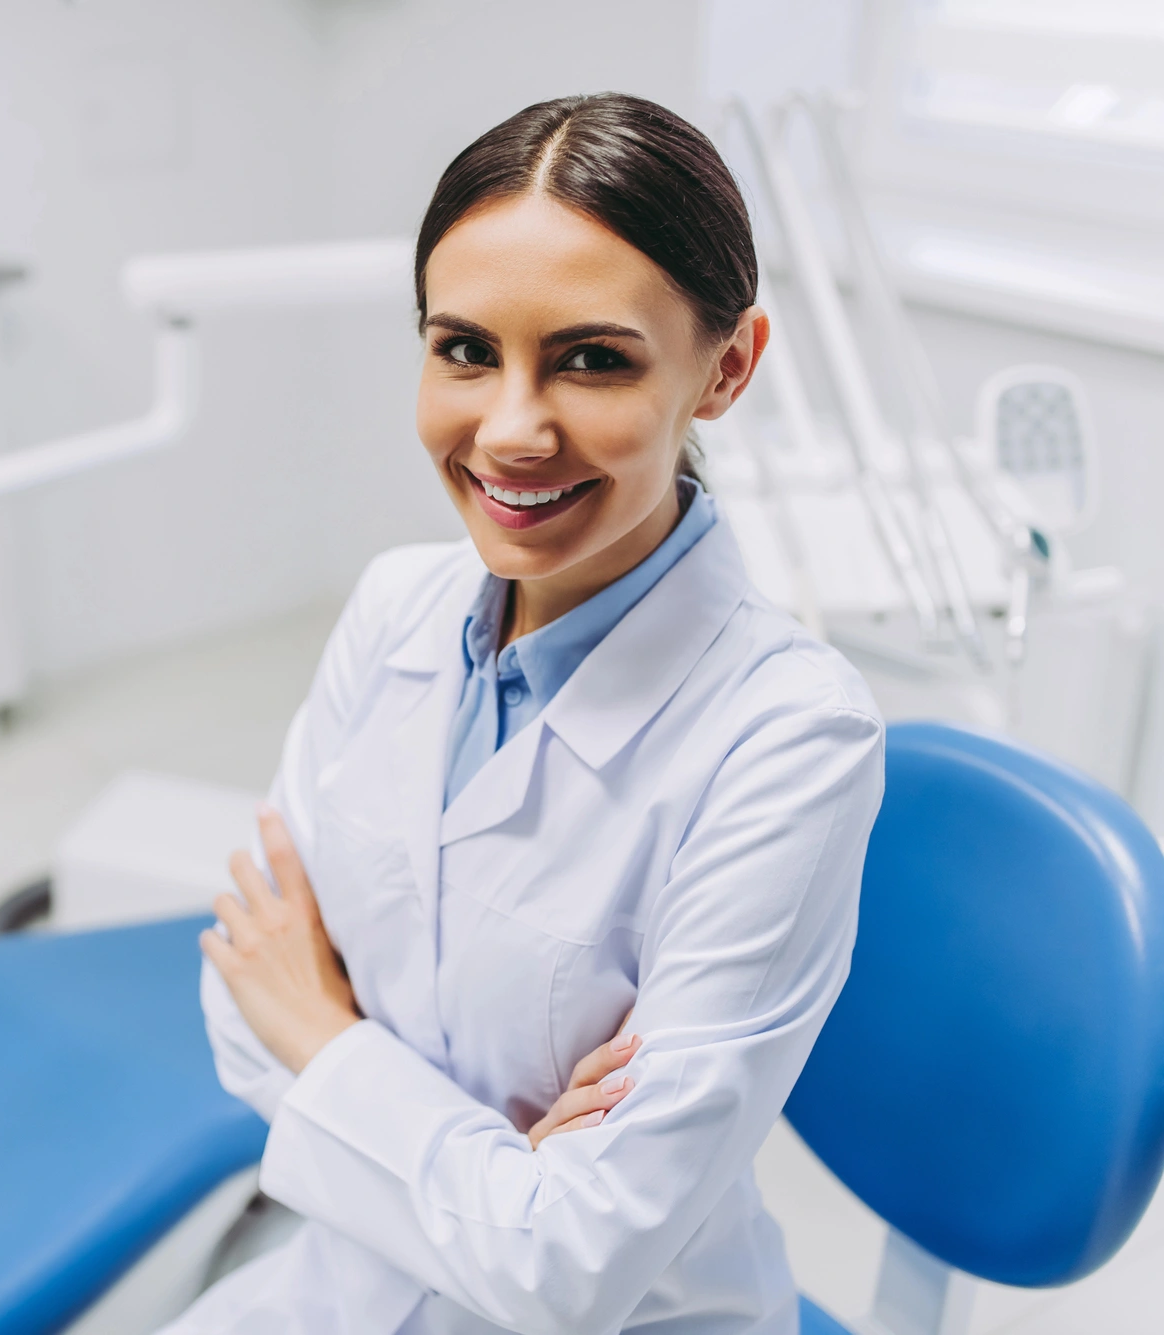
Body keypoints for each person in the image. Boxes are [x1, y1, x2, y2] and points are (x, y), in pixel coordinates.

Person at [169, 93, 885, 1335]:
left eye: (592, 358)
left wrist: (328, 1039)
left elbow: (569, 1273)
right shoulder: (394, 607)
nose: (509, 429)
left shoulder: (788, 738)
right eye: (462, 350)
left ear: (725, 368)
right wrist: (498, 1174)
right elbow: (243, 1004)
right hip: (341, 1287)